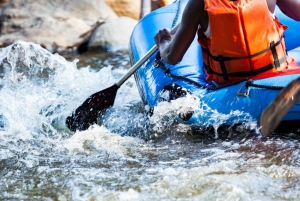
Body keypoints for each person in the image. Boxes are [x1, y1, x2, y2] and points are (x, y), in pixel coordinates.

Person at [154, 0, 300, 84]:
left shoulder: (198, 4)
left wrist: (164, 41)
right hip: (278, 76)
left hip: (227, 87)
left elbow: (172, 56)